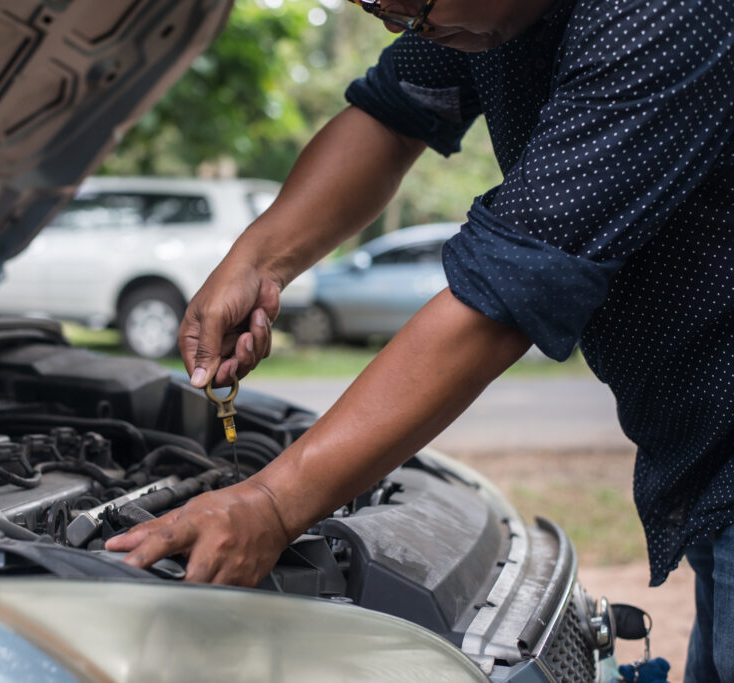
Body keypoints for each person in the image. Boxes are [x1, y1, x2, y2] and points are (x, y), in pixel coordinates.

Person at [106, 0, 734, 679]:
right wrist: (255, 260)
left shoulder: (664, 13)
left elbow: (507, 290)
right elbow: (390, 116)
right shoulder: (468, 16)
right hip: (702, 450)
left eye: (407, 3)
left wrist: (272, 501)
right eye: (374, 4)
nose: (391, 20)